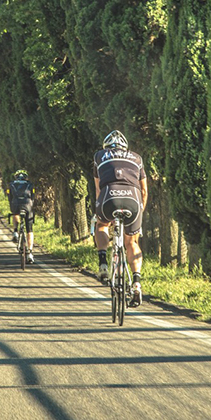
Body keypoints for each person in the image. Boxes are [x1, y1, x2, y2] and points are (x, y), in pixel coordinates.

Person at [93, 130, 147, 307]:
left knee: (101, 225)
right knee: (132, 242)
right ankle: (137, 283)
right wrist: (139, 212)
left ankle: (102, 264)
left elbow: (98, 190)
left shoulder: (99, 156)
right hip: (133, 201)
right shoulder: (137, 158)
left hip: (109, 198)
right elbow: (144, 191)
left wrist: (99, 209)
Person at [7, 169, 35, 264]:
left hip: (16, 204)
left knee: (15, 213)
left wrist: (13, 207)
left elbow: (9, 198)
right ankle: (30, 253)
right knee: (29, 230)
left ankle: (15, 231)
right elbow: (33, 198)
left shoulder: (11, 184)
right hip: (28, 206)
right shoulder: (30, 184)